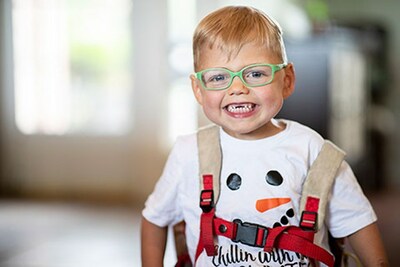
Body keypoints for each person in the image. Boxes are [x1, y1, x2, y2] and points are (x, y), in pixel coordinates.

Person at [141, 5, 388, 267]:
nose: (237, 88)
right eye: (218, 78)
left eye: (256, 74)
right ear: (198, 90)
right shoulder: (190, 153)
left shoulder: (311, 149)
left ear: (287, 80)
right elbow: (154, 218)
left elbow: (357, 222)